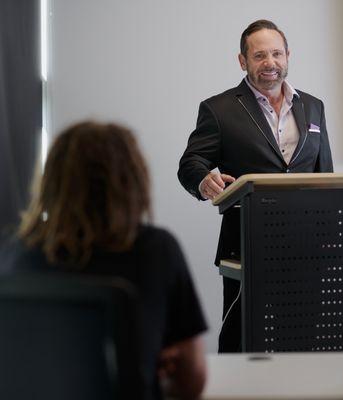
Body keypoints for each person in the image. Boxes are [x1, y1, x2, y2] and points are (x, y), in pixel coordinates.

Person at [0, 121, 207, 400]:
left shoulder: (15, 255)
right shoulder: (156, 250)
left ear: (51, 182)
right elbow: (190, 381)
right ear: (133, 180)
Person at [178, 19, 333, 352]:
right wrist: (204, 180)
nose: (270, 63)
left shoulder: (313, 106)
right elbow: (189, 165)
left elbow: (326, 176)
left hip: (305, 248)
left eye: (277, 54)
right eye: (260, 55)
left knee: (306, 344)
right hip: (245, 249)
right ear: (242, 61)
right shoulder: (218, 110)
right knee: (242, 345)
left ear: (288, 56)